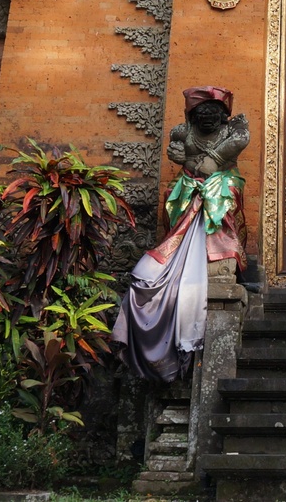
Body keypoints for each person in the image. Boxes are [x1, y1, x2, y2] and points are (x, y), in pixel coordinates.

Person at [114, 86, 249, 382]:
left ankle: (221, 256)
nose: (209, 119)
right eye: (202, 114)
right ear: (192, 116)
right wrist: (181, 158)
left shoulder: (235, 130)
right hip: (190, 182)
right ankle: (180, 254)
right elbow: (181, 154)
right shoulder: (182, 132)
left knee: (219, 191)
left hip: (223, 180)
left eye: (215, 114)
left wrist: (210, 159)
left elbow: (237, 142)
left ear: (224, 115)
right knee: (179, 192)